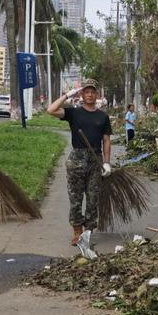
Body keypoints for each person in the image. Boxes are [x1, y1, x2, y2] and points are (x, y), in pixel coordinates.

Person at [47, 78, 112, 246]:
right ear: (82, 94)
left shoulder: (103, 117)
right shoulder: (73, 113)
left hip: (95, 161)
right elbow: (51, 110)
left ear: (96, 95)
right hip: (76, 160)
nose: (89, 94)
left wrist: (106, 163)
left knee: (92, 199)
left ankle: (88, 232)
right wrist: (68, 95)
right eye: (86, 92)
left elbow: (106, 141)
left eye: (92, 92)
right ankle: (77, 231)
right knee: (75, 199)